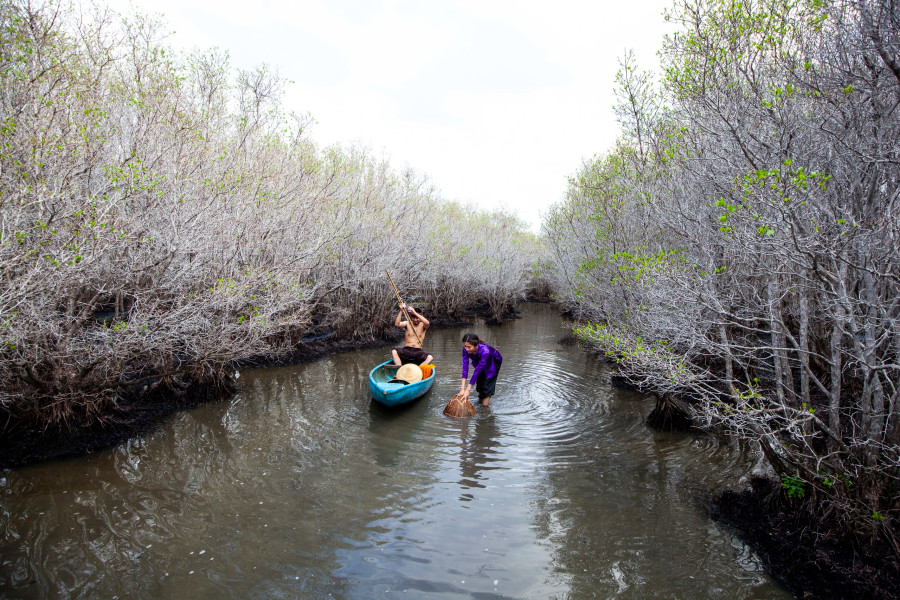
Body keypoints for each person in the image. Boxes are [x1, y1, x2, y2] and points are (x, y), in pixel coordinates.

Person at [460, 332, 502, 406]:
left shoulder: (485, 351)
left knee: (487, 385)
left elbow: (477, 370)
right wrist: (462, 389)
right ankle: (480, 402)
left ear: (476, 345)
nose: (466, 349)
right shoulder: (465, 350)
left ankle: (485, 409)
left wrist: (468, 389)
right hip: (479, 360)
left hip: (493, 361)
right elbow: (465, 368)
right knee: (480, 383)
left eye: (469, 347)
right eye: (465, 346)